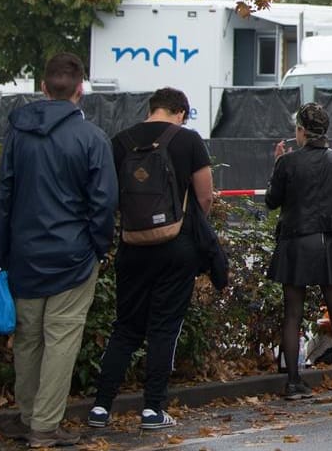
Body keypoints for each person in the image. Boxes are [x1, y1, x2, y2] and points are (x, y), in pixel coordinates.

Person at [0, 54, 119, 449]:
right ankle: (45, 427)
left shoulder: (19, 134)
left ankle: (28, 416)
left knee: (28, 339)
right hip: (74, 254)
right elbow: (104, 202)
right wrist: (98, 247)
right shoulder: (92, 138)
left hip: (24, 255)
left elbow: (4, 197)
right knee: (61, 338)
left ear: (44, 88)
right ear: (81, 89)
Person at [89, 87, 216, 431]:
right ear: (181, 113)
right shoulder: (188, 140)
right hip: (177, 248)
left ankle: (100, 408)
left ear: (152, 108)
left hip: (133, 245)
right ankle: (152, 410)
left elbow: (109, 195)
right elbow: (205, 196)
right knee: (163, 329)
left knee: (125, 328)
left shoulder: (120, 141)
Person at [265, 103, 332, 402]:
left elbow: (272, 201)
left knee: (292, 314)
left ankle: (294, 383)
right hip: (329, 242)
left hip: (294, 241)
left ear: (301, 130)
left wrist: (277, 166)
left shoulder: (287, 163)